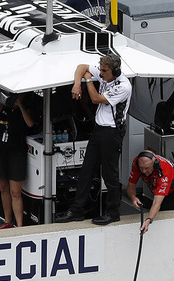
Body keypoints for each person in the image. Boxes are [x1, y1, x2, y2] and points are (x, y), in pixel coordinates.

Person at [56, 54, 132, 225]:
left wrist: (88, 81)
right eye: (101, 70)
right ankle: (77, 210)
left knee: (109, 174)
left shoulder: (124, 86)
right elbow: (82, 66)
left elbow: (97, 99)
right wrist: (77, 84)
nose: (102, 74)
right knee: (87, 170)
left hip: (112, 132)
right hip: (99, 129)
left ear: (115, 71)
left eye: (105, 71)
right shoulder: (105, 72)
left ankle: (112, 212)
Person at [0, 93, 36, 229]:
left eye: (19, 95)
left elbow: (30, 123)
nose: (16, 98)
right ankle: (8, 222)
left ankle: (20, 227)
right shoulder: (3, 107)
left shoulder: (26, 109)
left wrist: (20, 106)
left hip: (16, 153)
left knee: (15, 192)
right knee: (3, 188)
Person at [127, 150, 174, 234]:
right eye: (141, 168)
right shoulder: (137, 162)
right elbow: (131, 184)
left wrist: (149, 220)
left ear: (154, 165)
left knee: (166, 211)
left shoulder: (164, 173)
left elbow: (157, 202)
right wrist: (133, 197)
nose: (143, 171)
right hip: (156, 183)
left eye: (147, 168)